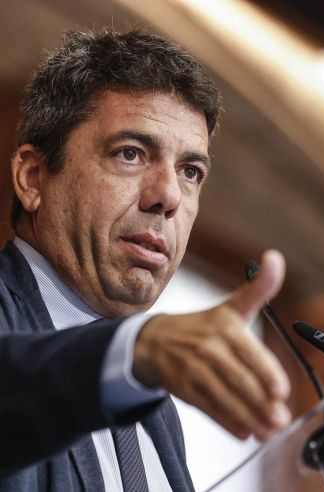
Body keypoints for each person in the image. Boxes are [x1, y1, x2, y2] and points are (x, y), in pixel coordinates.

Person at [0, 29, 291, 491]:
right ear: (33, 178)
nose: (169, 196)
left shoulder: (151, 406)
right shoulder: (132, 363)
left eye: (190, 171)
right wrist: (134, 351)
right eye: (130, 154)